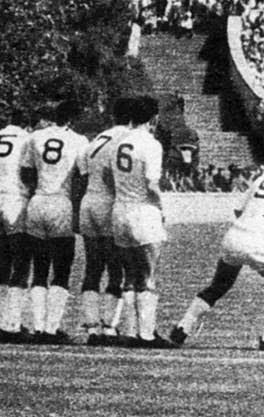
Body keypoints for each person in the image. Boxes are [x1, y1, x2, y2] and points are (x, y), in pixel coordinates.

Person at [170, 143, 264, 351]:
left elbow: (238, 210)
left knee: (218, 286)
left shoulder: (263, 178)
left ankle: (182, 328)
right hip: (261, 243)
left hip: (234, 237)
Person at [107, 95, 176, 348]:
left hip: (120, 212)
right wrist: (161, 208)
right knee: (147, 276)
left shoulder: (119, 142)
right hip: (142, 213)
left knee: (128, 277)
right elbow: (152, 184)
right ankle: (146, 334)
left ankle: (128, 330)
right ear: (153, 118)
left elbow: (107, 177)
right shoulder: (151, 143)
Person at [19, 100, 89, 343]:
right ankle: (51, 328)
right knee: (61, 268)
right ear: (73, 119)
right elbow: (83, 177)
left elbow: (26, 172)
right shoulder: (79, 140)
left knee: (39, 267)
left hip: (37, 202)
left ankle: (38, 327)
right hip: (61, 202)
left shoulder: (35, 137)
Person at [75, 96, 134, 345]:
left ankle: (91, 328)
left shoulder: (97, 139)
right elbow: (114, 177)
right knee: (117, 270)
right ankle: (109, 327)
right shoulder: (126, 140)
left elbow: (81, 174)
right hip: (109, 205)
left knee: (92, 267)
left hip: (89, 202)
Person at [0, 111, 31, 342]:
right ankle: (12, 324)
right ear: (27, 122)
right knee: (21, 265)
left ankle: (1, 323)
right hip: (15, 200)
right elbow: (28, 172)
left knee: (2, 265)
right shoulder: (27, 139)